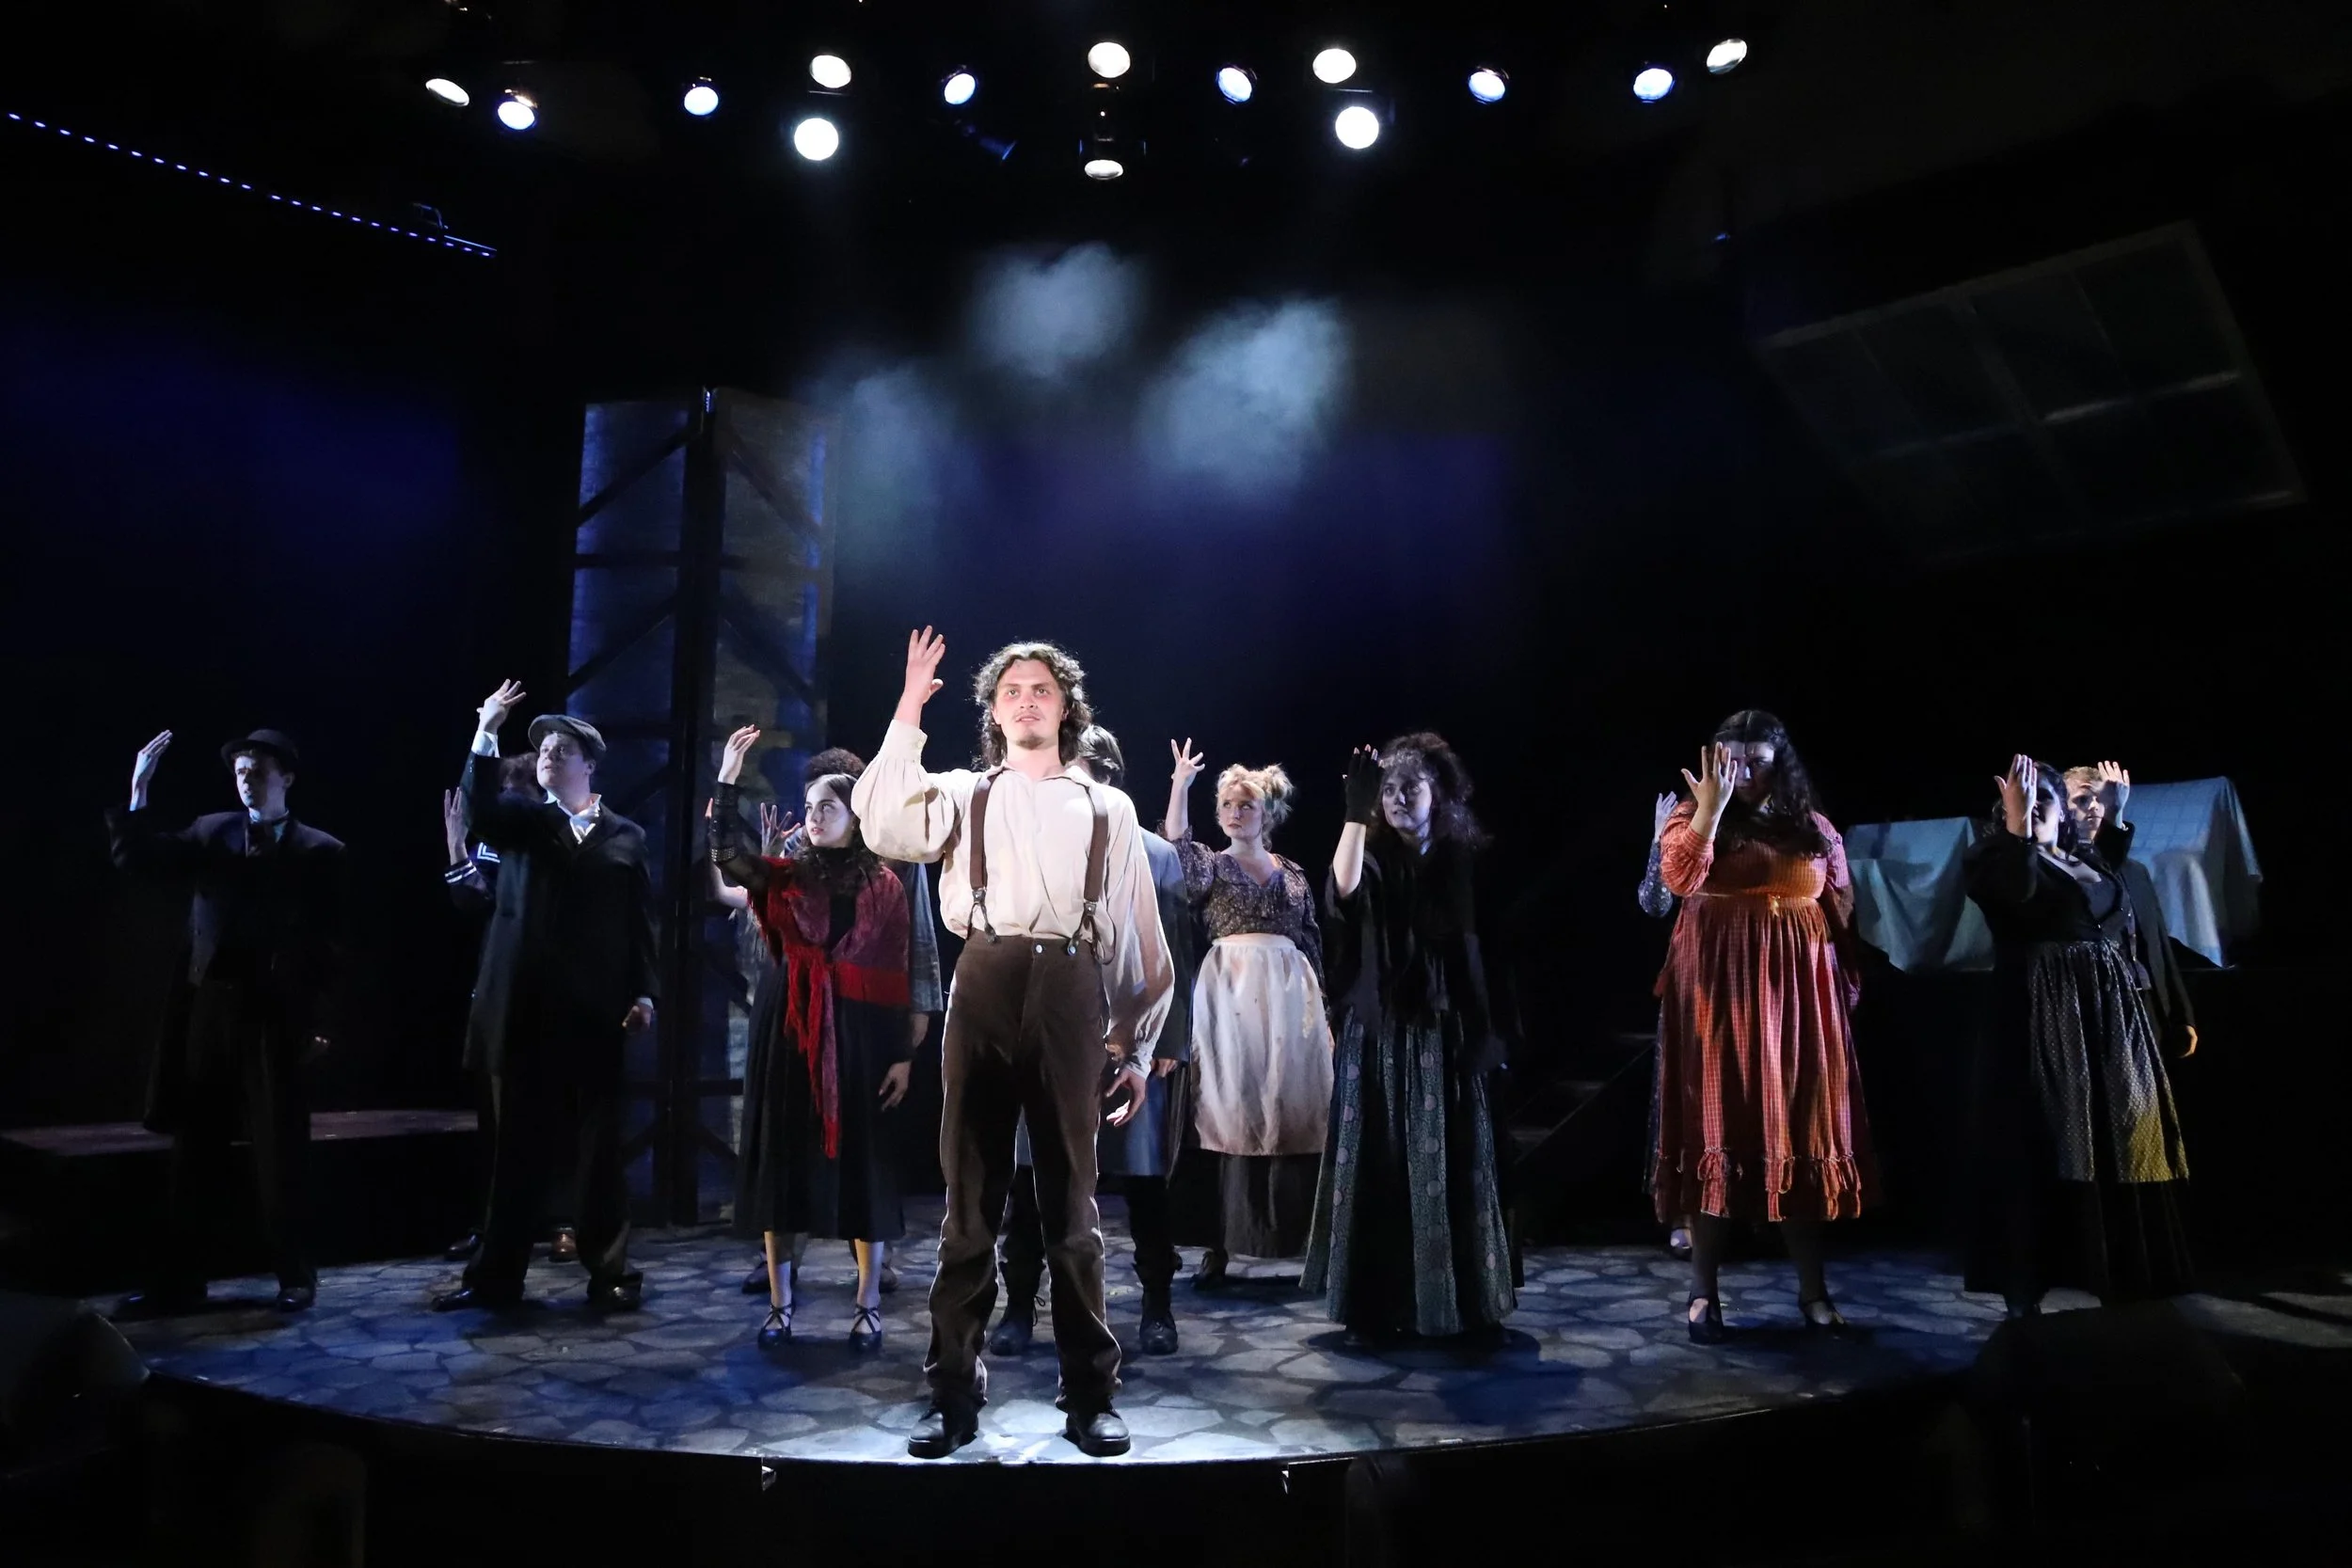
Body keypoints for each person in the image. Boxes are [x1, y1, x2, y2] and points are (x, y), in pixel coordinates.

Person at [852, 630, 1172, 1459]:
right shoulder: (964, 790)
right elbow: (885, 824)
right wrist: (908, 708)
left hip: (1071, 984)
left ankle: (1090, 1393)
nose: (1027, 699)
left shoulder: (1109, 806)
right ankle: (952, 1394)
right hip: (987, 975)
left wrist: (1134, 1045)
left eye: (1041, 688)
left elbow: (1139, 936)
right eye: (1011, 690)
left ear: (1067, 706)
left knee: (1072, 1208)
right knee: (970, 1203)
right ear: (993, 710)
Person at [431, 682, 659, 1314]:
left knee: (598, 1154)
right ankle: (496, 1275)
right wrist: (486, 729)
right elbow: (478, 807)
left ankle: (609, 1271)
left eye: (561, 750)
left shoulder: (625, 835)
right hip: (526, 1012)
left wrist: (645, 992)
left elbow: (641, 924)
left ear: (590, 762)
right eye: (543, 751)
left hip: (595, 1016)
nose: (548, 758)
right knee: (515, 1153)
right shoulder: (525, 822)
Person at [1652, 710, 1874, 1343]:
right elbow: (1678, 878)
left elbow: (1841, 906)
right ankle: (1704, 1294)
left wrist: (1840, 991)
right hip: (1718, 1000)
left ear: (1781, 763)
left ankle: (1813, 1291)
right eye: (1732, 761)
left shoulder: (1814, 826)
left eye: (1756, 761)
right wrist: (1710, 811)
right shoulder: (1691, 819)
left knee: (1798, 1135)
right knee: (1718, 1129)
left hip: (1800, 1002)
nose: (1743, 773)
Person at [712, 732, 939, 1349]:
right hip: (787, 1030)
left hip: (862, 1034)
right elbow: (729, 857)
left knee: (864, 1168)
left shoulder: (886, 885)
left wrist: (903, 1054)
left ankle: (866, 1302)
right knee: (783, 1165)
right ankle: (782, 1305)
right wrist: (729, 779)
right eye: (809, 806)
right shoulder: (784, 874)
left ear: (856, 816)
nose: (812, 817)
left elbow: (901, 966)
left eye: (827, 808)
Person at [106, 729, 344, 1318]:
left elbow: (330, 946)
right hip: (210, 1007)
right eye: (240, 770)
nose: (247, 778)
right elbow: (141, 860)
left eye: (258, 769)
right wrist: (139, 790)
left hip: (274, 1012)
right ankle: (179, 1281)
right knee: (195, 1149)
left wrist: (320, 1020)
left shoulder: (320, 851)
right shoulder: (213, 831)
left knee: (279, 1149)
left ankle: (294, 1274)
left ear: (286, 777)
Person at [990, 724, 1197, 1358]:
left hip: (1129, 1039)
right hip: (1049, 1039)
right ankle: (1020, 1304)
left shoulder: (1157, 855)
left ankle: (1157, 1304)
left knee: (1144, 1183)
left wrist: (1170, 1036)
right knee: (1030, 1181)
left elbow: (1177, 954)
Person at [1962, 756, 2193, 1318]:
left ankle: (2124, 1277)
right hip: (2045, 1019)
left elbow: (2114, 895)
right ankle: (2028, 1290)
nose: (2039, 811)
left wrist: (2113, 812)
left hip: (2109, 1020)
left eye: (2047, 802)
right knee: (2046, 1146)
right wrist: (2018, 829)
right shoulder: (1995, 860)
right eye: (2026, 804)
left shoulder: (2084, 857)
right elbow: (2016, 896)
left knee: (2122, 1135)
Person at [1302, 733, 1514, 1342]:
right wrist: (1351, 814)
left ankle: (1464, 1304)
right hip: (1383, 1036)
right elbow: (1340, 896)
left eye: (1409, 787)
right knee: (1383, 1165)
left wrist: (1492, 1030)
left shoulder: (1464, 859)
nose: (1396, 798)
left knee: (1456, 1165)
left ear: (1438, 792)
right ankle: (1374, 1306)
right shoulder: (1370, 853)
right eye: (1387, 790)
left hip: (1448, 1035)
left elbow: (1491, 952)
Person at [1162, 741, 1332, 1278]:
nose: (1236, 814)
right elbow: (1176, 846)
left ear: (1268, 814)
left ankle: (1306, 1241)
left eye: (1246, 806)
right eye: (1228, 806)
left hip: (1289, 996)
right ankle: (1219, 1243)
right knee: (1228, 1106)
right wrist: (1180, 785)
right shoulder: (1211, 866)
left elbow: (1311, 938)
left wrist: (1323, 1011)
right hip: (1229, 994)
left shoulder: (1295, 873)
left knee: (1293, 1105)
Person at [2061, 762, 2199, 1061]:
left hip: (2146, 1005)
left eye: (2102, 799)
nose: (2095, 807)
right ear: (2061, 810)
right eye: (2083, 799)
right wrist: (2116, 816)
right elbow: (2100, 869)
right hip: (2097, 1010)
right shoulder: (2061, 869)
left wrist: (2181, 1013)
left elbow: (2159, 943)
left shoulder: (2136, 872)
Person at [1636, 788, 1693, 1259]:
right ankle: (1685, 1215)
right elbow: (1655, 903)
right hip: (1694, 986)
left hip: (1752, 980)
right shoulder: (1689, 822)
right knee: (1687, 1101)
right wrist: (1659, 841)